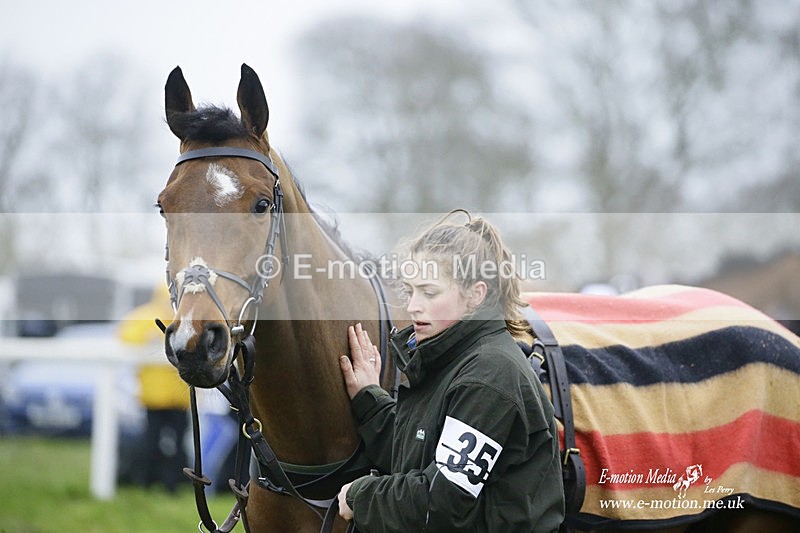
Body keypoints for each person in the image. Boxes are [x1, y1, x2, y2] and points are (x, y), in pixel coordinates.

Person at [336, 211, 565, 532]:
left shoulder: (488, 377)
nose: (414, 305)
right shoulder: (450, 360)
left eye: (429, 292)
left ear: (476, 295)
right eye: (410, 290)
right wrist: (369, 400)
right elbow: (416, 456)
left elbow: (441, 503)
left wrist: (361, 497)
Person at [118, 284, 189, 493]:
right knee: (154, 442)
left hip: (177, 397)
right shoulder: (146, 318)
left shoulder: (182, 317)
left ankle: (171, 484)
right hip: (157, 397)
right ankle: (150, 481)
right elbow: (126, 337)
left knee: (174, 443)